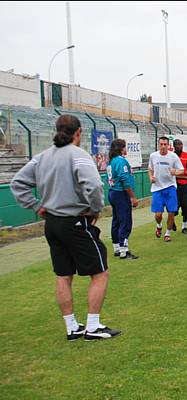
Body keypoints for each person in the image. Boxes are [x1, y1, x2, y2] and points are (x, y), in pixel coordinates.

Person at [10, 114, 120, 340]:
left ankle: (72, 327)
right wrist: (95, 209)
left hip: (52, 223)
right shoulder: (78, 156)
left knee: (63, 274)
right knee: (100, 273)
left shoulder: (41, 158)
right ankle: (93, 326)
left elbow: (17, 183)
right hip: (75, 221)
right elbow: (94, 186)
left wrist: (36, 206)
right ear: (78, 132)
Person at [107, 139, 139, 259]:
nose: (126, 149)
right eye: (125, 147)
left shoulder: (111, 161)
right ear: (121, 148)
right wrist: (132, 197)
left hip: (113, 192)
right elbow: (124, 179)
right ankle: (123, 250)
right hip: (120, 194)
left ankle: (117, 248)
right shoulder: (121, 161)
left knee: (116, 220)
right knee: (125, 221)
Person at [148, 137, 184, 242]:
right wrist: (151, 177)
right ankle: (159, 226)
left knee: (171, 212)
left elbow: (181, 170)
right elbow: (150, 169)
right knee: (158, 214)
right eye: (161, 144)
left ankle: (167, 234)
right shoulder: (153, 156)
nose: (163, 146)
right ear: (158, 145)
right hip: (157, 188)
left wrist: (175, 172)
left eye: (165, 144)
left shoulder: (173, 156)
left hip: (170, 187)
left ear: (168, 145)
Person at [172, 139, 187, 234]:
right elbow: (172, 174)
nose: (180, 146)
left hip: (184, 185)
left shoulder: (185, 155)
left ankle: (184, 226)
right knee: (175, 207)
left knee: (186, 206)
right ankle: (171, 221)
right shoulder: (171, 157)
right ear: (174, 146)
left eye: (181, 144)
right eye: (178, 145)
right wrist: (185, 177)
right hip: (175, 186)